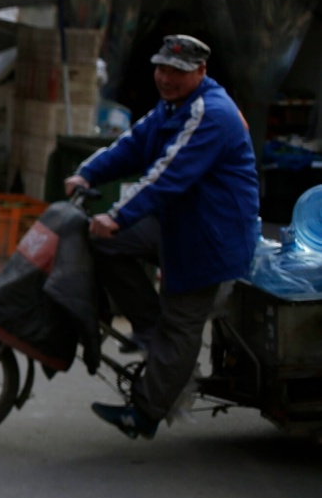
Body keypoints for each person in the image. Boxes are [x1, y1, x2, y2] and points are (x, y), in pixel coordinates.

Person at [63, 35, 259, 439]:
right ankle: (149, 327)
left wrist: (118, 215)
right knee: (104, 241)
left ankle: (146, 413)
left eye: (178, 71)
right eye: (161, 68)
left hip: (211, 235)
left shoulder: (211, 113)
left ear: (201, 72)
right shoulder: (173, 105)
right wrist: (88, 172)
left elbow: (169, 175)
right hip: (178, 221)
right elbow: (134, 144)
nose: (166, 78)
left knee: (182, 322)